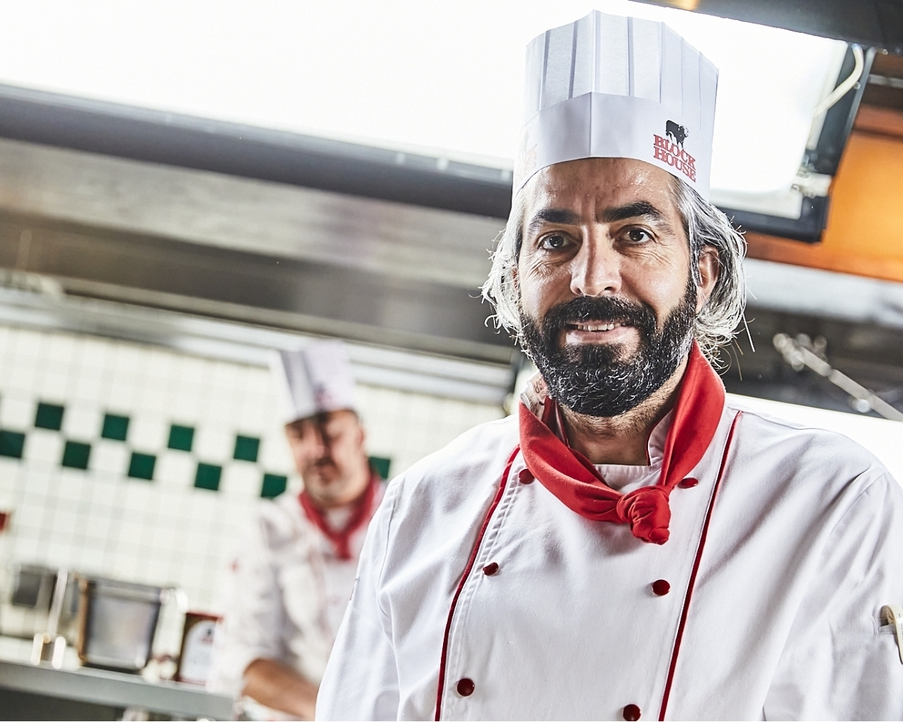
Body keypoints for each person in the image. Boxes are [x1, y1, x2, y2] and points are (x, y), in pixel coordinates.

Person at [316, 11, 903, 721]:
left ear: (703, 274)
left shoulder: (828, 498)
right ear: (515, 279)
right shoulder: (424, 506)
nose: (591, 277)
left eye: (635, 234)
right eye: (555, 240)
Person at [209, 340, 384, 720]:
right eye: (298, 435)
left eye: (329, 432)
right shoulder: (268, 528)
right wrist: (332, 714)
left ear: (359, 435)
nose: (315, 450)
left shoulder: (404, 517)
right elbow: (242, 655)